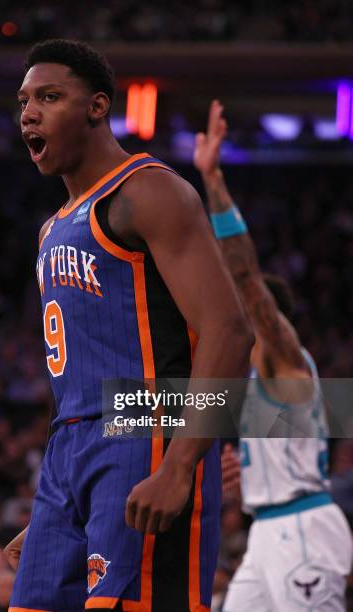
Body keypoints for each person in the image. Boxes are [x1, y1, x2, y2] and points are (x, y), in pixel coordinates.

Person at [7, 39, 253, 612]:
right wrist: (57, 504)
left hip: (145, 424)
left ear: (96, 107)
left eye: (48, 97)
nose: (29, 113)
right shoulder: (49, 231)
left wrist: (180, 465)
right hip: (70, 452)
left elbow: (229, 331)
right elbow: (74, 378)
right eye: (23, 101)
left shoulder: (148, 191)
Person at [194, 99, 352, 611]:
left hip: (304, 526)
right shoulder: (247, 387)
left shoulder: (284, 360)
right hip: (268, 533)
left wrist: (213, 181)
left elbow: (243, 275)